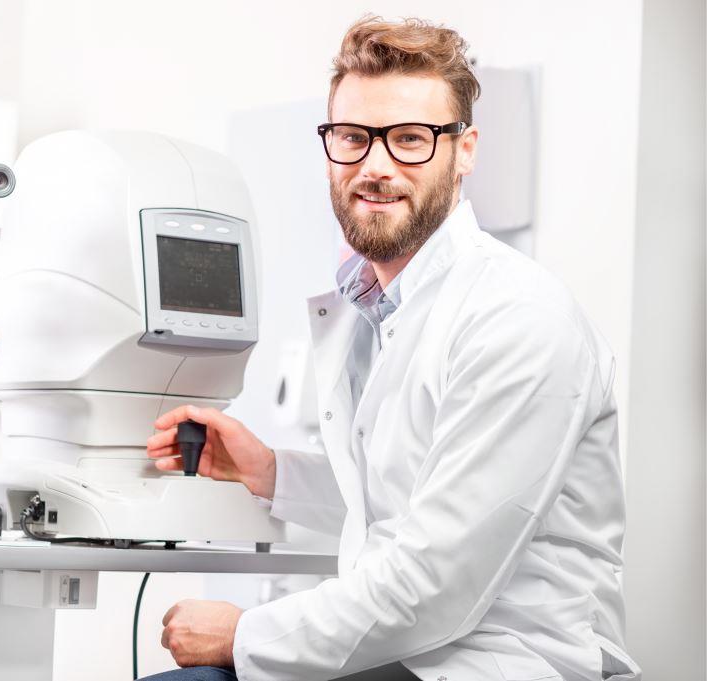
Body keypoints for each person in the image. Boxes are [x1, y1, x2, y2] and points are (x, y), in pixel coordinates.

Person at [142, 14, 642, 681]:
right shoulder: (373, 309)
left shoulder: (518, 318)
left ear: (464, 150)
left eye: (410, 139)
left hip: (505, 661)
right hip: (414, 653)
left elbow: (437, 582)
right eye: (353, 137)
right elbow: (401, 503)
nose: (375, 167)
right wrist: (270, 471)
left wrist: (245, 633)